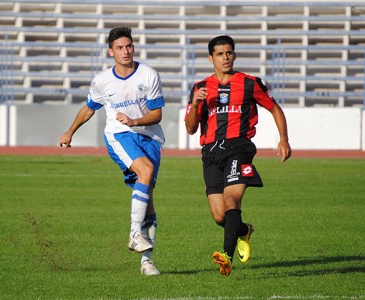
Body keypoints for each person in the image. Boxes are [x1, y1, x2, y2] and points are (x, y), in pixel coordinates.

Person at [59, 26, 165, 276]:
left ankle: (147, 262)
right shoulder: (102, 81)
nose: (125, 51)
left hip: (149, 138)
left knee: (149, 200)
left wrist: (135, 121)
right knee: (145, 170)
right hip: (119, 135)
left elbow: (157, 114)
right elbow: (89, 108)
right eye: (120, 47)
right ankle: (133, 234)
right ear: (111, 51)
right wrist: (70, 131)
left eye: (129, 46)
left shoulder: (149, 75)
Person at [184, 35, 292, 276]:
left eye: (229, 53)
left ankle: (226, 257)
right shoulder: (200, 88)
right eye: (220, 54)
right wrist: (194, 104)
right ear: (210, 58)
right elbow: (191, 128)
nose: (225, 57)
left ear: (234, 54)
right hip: (211, 153)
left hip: (239, 148)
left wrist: (283, 139)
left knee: (232, 201)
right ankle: (243, 230)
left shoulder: (250, 83)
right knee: (219, 215)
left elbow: (274, 108)